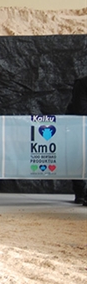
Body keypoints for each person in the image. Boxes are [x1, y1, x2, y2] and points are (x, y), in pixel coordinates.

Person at [67, 75, 87, 205]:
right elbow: (80, 108)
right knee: (76, 156)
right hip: (78, 126)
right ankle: (80, 193)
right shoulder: (82, 83)